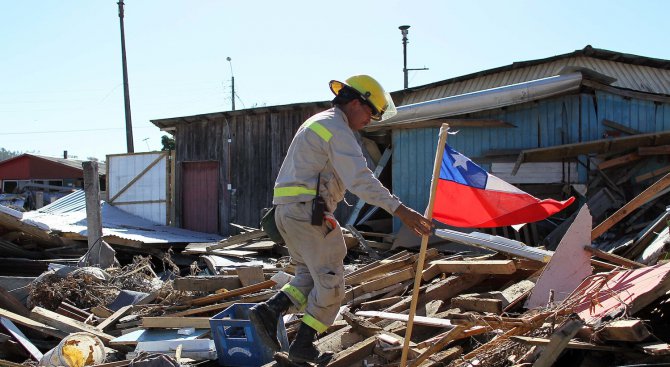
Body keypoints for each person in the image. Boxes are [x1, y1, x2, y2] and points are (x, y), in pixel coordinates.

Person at [249, 75, 433, 364]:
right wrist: (401, 210)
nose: (371, 121)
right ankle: (303, 345)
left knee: (309, 276)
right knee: (333, 281)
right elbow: (360, 179)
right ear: (357, 102)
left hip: (289, 212)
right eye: (371, 112)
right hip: (309, 212)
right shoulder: (337, 128)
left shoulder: (318, 121)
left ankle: (271, 310)